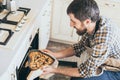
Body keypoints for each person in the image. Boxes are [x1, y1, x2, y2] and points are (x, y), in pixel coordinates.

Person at [41, 0, 120, 80]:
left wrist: (54, 70)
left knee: (78, 78)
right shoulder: (94, 23)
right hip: (101, 60)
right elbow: (79, 47)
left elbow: (85, 71)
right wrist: (55, 55)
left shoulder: (104, 39)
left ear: (87, 22)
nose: (70, 25)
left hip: (114, 70)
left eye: (73, 21)